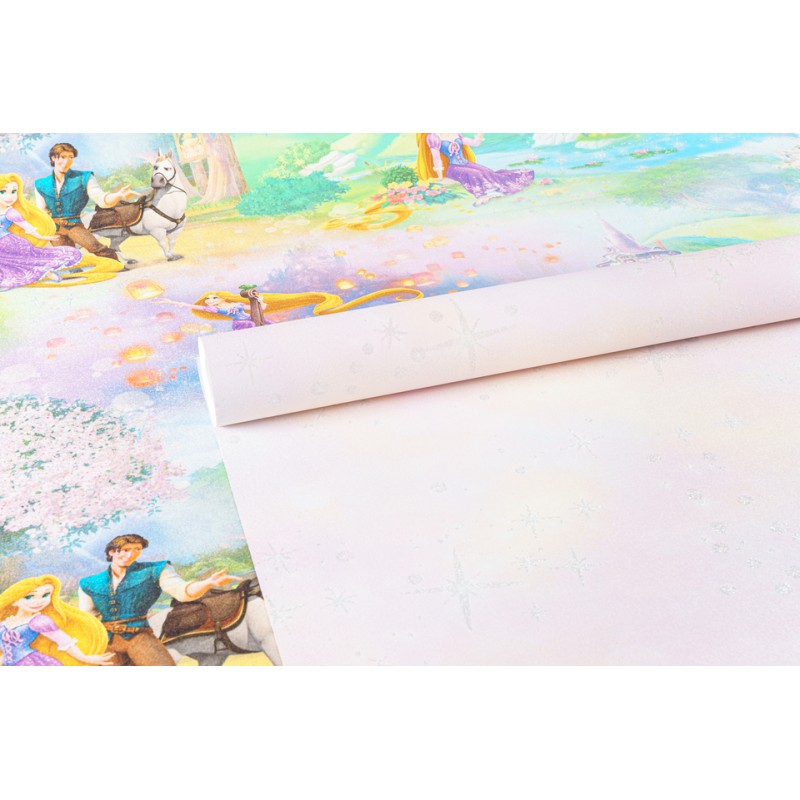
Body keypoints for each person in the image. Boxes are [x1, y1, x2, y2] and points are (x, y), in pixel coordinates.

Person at [78, 533, 240, 666]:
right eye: (125, 550)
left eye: (136, 550)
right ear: (111, 552)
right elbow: (86, 618)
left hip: (140, 637)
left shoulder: (155, 570)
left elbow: (183, 592)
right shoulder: (89, 583)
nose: (130, 555)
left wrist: (207, 583)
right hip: (106, 642)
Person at [34, 142, 138, 261]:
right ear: (54, 157)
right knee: (67, 258)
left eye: (70, 157)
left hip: (74, 226)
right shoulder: (40, 184)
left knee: (96, 247)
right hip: (55, 229)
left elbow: (102, 200)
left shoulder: (85, 177)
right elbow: (42, 211)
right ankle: (75, 270)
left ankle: (116, 264)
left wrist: (118, 195)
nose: (66, 161)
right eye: (63, 157)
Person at [153, 286, 424, 329]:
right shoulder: (219, 310)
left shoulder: (235, 301)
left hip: (254, 319)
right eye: (208, 300)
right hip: (244, 325)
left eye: (213, 297)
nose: (212, 301)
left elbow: (257, 305)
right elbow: (189, 305)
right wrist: (170, 302)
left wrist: (259, 303)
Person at [0, 575, 114, 666]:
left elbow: (64, 640)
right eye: (29, 597)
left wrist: (84, 658)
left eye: (45, 595)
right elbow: (6, 650)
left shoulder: (39, 621)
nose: (39, 601)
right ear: (14, 601)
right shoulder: (4, 624)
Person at [0, 173, 83, 289]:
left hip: (7, 243)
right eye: (3, 192)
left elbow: (27, 227)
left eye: (13, 192)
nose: (9, 197)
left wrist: (42, 237)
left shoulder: (11, 212)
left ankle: (45, 272)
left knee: (21, 261)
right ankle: (46, 272)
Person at [415, 132, 535, 205]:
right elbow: (436, 158)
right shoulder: (433, 137)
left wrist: (479, 136)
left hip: (466, 163)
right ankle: (487, 193)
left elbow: (474, 143)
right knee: (476, 174)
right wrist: (440, 177)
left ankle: (500, 186)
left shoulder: (455, 133)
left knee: (487, 171)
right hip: (454, 168)